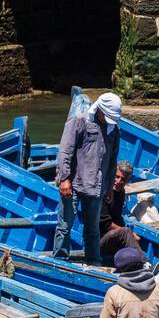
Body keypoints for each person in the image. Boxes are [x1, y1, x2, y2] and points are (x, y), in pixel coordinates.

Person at [53, 92, 122, 265]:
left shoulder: (114, 130)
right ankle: (60, 260)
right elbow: (65, 151)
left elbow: (112, 159)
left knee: (92, 229)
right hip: (74, 183)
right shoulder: (80, 120)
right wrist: (64, 178)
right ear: (99, 109)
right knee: (64, 226)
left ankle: (94, 262)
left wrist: (109, 188)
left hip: (98, 187)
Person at [98, 161, 140, 263]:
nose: (118, 181)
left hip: (112, 237)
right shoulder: (103, 191)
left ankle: (134, 264)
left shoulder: (121, 192)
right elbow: (105, 223)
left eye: (123, 179)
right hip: (97, 240)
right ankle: (144, 262)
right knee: (126, 232)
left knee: (128, 233)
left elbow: (117, 217)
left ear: (127, 181)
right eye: (117, 177)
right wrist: (127, 233)